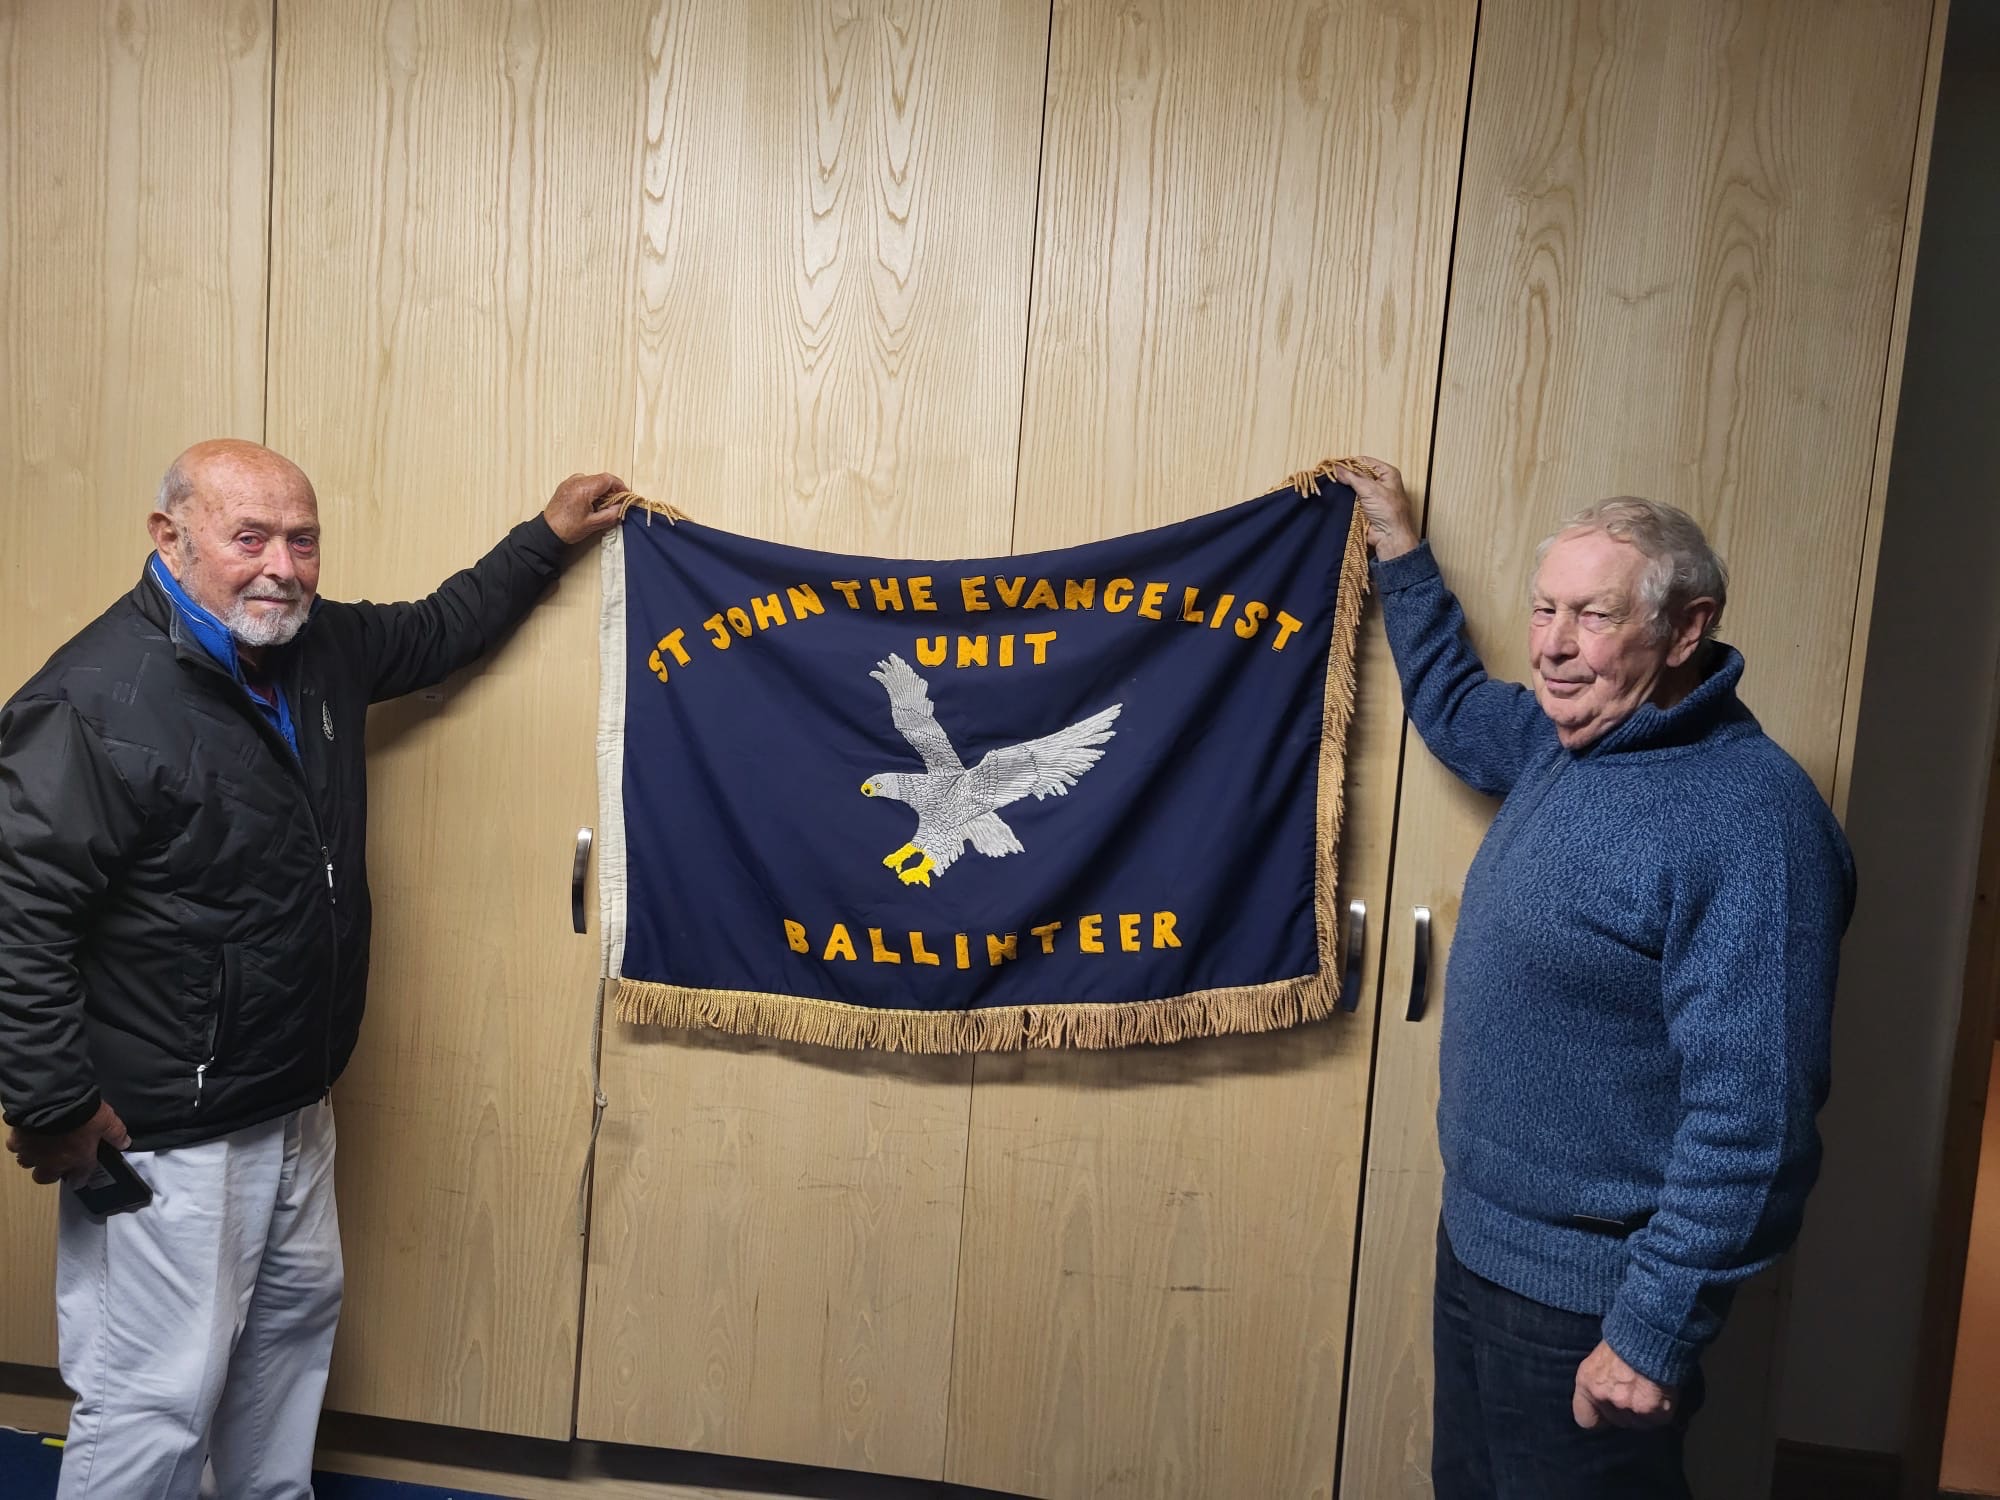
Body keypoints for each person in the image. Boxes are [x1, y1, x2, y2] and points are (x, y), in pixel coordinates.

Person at [0, 440, 625, 1499]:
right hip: (168, 1134)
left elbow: (436, 630)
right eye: (248, 539)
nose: (280, 567)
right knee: (155, 1400)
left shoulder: (314, 647)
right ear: (171, 538)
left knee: (283, 1359)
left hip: (294, 1105)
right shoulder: (93, 701)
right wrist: (53, 1097)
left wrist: (545, 540)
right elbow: (18, 915)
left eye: (302, 539)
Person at [1331, 457, 1855, 1499]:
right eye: (1543, 610)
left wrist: (1650, 1335)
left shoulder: (1751, 823)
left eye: (1592, 616)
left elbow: (1753, 1126)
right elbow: (1448, 701)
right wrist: (1396, 543)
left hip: (1592, 1309)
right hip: (1477, 1253)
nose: (1552, 647)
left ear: (1683, 629)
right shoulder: (1560, 744)